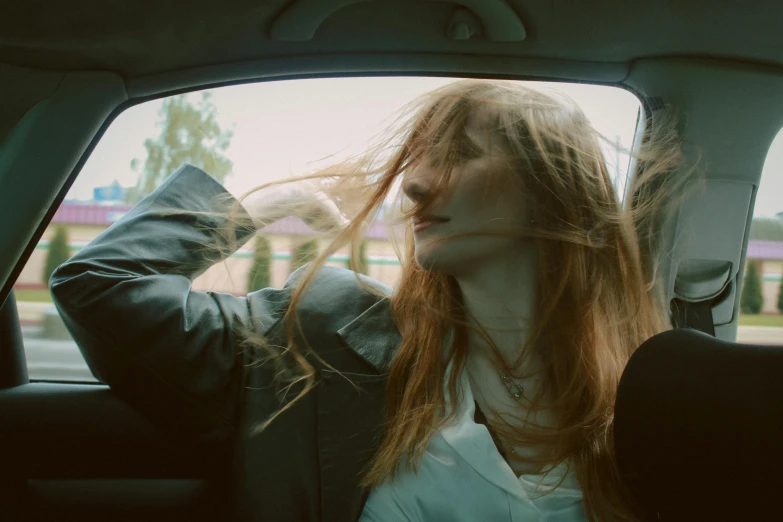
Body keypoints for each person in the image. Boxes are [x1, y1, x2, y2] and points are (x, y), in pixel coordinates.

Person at [50, 80, 689, 522]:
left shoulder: (649, 392)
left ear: (555, 190)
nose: (411, 183)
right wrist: (256, 207)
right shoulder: (326, 331)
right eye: (416, 158)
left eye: (460, 154)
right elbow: (100, 285)